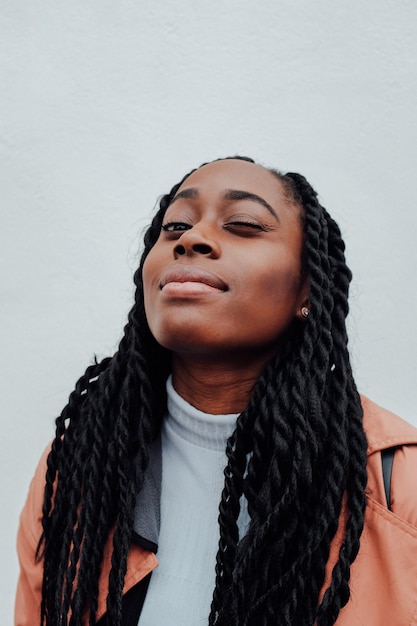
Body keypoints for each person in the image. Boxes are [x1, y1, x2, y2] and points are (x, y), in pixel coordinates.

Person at [15, 157, 417, 626]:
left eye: (243, 225)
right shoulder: (77, 468)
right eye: (175, 226)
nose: (191, 238)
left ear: (308, 287)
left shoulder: (398, 486)